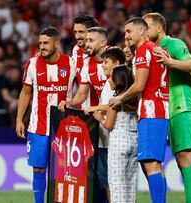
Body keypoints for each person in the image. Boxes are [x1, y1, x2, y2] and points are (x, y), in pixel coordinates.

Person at [109, 17, 169, 203]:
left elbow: (140, 85)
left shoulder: (143, 51)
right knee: (155, 166)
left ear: (141, 31)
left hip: (151, 111)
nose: (125, 36)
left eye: (128, 31)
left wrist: (120, 97)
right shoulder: (159, 49)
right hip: (161, 109)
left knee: (150, 164)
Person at [143, 13, 191, 203]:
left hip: (183, 104)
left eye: (147, 27)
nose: (143, 30)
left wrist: (170, 62)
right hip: (164, 108)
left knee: (185, 156)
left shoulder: (174, 44)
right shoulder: (150, 50)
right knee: (158, 161)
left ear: (159, 28)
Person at [16, 27, 75, 203]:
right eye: (40, 43)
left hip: (65, 128)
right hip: (38, 126)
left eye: (46, 43)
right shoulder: (32, 64)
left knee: (66, 172)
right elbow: (25, 92)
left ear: (57, 43)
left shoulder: (70, 63)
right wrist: (19, 119)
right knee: (39, 169)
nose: (42, 47)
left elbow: (84, 89)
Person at [58, 26, 110, 202]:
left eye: (90, 40)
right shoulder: (87, 64)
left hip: (122, 120)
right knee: (104, 175)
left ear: (103, 43)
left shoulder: (115, 58)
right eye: (85, 40)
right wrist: (69, 102)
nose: (86, 44)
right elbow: (82, 93)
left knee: (119, 173)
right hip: (103, 121)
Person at [93, 65, 138, 203]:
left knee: (117, 186)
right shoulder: (135, 99)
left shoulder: (116, 100)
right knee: (131, 185)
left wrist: (100, 118)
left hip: (118, 143)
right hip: (135, 142)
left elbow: (109, 125)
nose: (109, 80)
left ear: (119, 79)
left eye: (112, 78)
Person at [72, 14, 98, 109]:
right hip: (83, 110)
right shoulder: (75, 50)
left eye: (81, 32)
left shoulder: (103, 53)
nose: (77, 36)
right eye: (75, 32)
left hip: (101, 111)